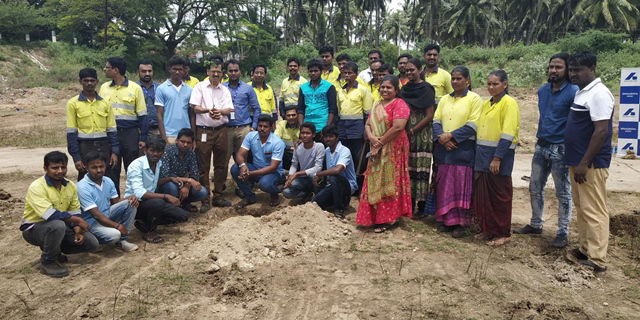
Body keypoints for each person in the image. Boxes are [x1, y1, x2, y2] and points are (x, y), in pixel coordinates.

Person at [514, 53, 578, 249]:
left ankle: (562, 232)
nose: (553, 70)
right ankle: (535, 224)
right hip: (541, 145)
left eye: (558, 67)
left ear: (567, 70)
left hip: (561, 148)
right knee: (534, 187)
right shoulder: (543, 90)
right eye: (551, 67)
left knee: (563, 192)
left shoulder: (573, 91)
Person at [564, 51, 614, 273]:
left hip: (590, 164)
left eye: (578, 70)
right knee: (582, 207)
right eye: (572, 69)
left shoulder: (600, 94)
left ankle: (597, 258)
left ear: (592, 68)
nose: (573, 73)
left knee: (594, 210)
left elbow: (601, 131)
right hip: (577, 161)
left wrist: (585, 162)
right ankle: (585, 249)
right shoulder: (582, 92)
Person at [21, 151, 99, 278]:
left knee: (92, 243)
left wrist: (77, 231)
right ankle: (48, 262)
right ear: (45, 168)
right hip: (34, 229)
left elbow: (75, 212)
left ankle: (55, 251)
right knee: (57, 225)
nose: (60, 171)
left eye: (63, 167)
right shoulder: (37, 187)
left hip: (59, 226)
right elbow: (50, 215)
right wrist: (77, 221)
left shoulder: (70, 186)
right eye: (55, 168)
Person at [357, 75, 412, 232]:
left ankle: (390, 218)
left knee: (390, 181)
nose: (385, 90)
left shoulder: (400, 104)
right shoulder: (376, 103)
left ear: (396, 90)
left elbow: (398, 127)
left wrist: (380, 142)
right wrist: (372, 138)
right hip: (376, 147)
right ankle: (374, 217)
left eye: (389, 87)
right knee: (375, 180)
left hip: (394, 149)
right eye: (383, 87)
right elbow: (367, 124)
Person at [432, 66, 482, 238]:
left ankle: (461, 223)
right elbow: (436, 119)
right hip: (445, 150)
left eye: (459, 78)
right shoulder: (445, 99)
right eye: (453, 78)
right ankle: (446, 220)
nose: (454, 81)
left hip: (463, 149)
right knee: (445, 185)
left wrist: (451, 136)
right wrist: (442, 138)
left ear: (467, 80)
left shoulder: (475, 99)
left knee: (461, 186)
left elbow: (473, 124)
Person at [473, 70, 520, 246]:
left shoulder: (509, 103)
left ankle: (503, 232)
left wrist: (498, 157)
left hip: (499, 156)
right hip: (483, 155)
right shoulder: (487, 104)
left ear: (505, 84)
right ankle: (488, 229)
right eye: (489, 84)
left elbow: (508, 133)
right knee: (485, 196)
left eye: (496, 84)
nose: (491, 87)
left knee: (500, 196)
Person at [125, 135, 188, 243]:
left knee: (182, 216)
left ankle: (144, 223)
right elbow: (140, 194)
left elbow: (153, 183)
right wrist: (166, 196)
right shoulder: (136, 165)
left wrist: (169, 178)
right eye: (152, 150)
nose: (155, 154)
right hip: (135, 205)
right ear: (145, 150)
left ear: (163, 152)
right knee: (158, 203)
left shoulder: (158, 163)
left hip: (150, 202)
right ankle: (150, 231)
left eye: (159, 151)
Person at [190, 59, 234, 211]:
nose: (216, 74)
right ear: (207, 72)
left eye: (219, 71)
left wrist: (220, 112)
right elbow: (195, 107)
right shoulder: (200, 87)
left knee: (221, 165)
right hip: (203, 131)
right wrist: (208, 110)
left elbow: (229, 109)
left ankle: (218, 196)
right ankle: (205, 199)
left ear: (222, 74)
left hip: (221, 130)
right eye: (213, 71)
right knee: (203, 166)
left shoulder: (225, 90)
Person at [100, 56, 148, 193]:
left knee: (132, 168)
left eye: (107, 67)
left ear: (116, 70)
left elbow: (143, 115)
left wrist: (143, 138)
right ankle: (114, 201)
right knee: (111, 168)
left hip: (130, 134)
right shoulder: (104, 88)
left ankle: (133, 199)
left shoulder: (135, 88)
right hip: (110, 134)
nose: (105, 70)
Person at [77, 151, 139, 251]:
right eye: (94, 167)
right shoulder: (82, 187)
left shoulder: (107, 180)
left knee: (131, 203)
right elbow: (96, 215)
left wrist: (130, 198)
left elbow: (116, 202)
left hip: (106, 214)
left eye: (101, 166)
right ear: (86, 167)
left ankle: (122, 241)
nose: (98, 170)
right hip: (92, 222)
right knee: (115, 235)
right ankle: (94, 238)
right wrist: (117, 226)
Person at [66, 68, 119, 183]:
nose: (89, 83)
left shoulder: (105, 103)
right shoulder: (73, 103)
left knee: (108, 177)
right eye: (86, 80)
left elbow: (112, 130)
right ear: (80, 82)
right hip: (85, 147)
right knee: (85, 178)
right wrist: (76, 157)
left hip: (104, 146)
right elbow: (71, 132)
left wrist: (114, 151)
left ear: (97, 81)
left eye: (92, 80)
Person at [399, 58, 436, 214]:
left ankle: (421, 207)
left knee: (421, 169)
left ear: (420, 70)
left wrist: (414, 130)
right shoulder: (405, 89)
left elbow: (429, 115)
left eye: (412, 70)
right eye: (407, 70)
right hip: (406, 133)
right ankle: (409, 204)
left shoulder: (427, 88)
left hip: (422, 134)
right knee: (408, 168)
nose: (409, 73)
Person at [231, 115, 285, 208]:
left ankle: (275, 194)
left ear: (272, 127)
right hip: (256, 169)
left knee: (264, 184)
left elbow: (273, 167)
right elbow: (239, 154)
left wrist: (250, 173)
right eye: (260, 126)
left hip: (273, 173)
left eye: (265, 126)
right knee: (235, 168)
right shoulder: (251, 136)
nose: (262, 129)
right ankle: (249, 197)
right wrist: (243, 166)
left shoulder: (277, 142)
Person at [157, 128, 208, 212]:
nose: (185, 145)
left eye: (188, 143)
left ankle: (183, 203)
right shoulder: (168, 151)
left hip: (183, 184)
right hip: (168, 183)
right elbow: (165, 174)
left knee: (202, 191)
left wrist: (187, 186)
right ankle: (171, 207)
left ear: (192, 144)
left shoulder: (191, 154)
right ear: (177, 140)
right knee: (172, 187)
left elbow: (194, 175)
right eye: (182, 141)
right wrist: (188, 180)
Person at [312, 125, 358, 218]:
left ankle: (339, 209)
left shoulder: (344, 151)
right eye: (326, 137)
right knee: (314, 203)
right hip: (332, 185)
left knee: (334, 177)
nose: (328, 139)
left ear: (337, 137)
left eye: (331, 136)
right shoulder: (327, 151)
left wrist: (318, 174)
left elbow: (337, 170)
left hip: (347, 185)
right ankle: (334, 202)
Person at [223, 59, 261, 168]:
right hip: (226, 128)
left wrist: (253, 127)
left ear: (240, 71)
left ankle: (242, 181)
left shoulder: (248, 88)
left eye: (236, 70)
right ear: (227, 72)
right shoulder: (222, 88)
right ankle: (222, 183)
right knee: (224, 157)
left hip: (244, 128)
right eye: (231, 71)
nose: (233, 73)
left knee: (243, 158)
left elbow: (256, 108)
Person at [336, 61, 373, 168]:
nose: (347, 75)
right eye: (345, 73)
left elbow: (368, 113)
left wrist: (366, 131)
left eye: (350, 73)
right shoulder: (340, 92)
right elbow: (339, 112)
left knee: (357, 156)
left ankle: (358, 180)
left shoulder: (363, 90)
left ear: (356, 74)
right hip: (343, 128)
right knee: (344, 155)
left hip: (357, 128)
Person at [282, 122, 325, 204]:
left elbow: (318, 167)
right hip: (303, 178)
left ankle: (318, 199)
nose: (304, 135)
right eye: (302, 133)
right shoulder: (298, 147)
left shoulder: (319, 146)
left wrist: (297, 174)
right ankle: (306, 194)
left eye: (308, 133)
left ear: (313, 135)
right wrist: (290, 177)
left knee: (315, 176)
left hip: (315, 177)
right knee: (286, 192)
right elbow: (294, 164)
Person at [156, 56, 194, 145]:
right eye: (174, 69)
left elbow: (192, 115)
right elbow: (159, 115)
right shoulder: (161, 89)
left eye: (180, 69)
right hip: (169, 135)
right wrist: (164, 138)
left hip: (186, 136)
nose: (177, 72)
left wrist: (193, 137)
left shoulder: (189, 90)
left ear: (184, 71)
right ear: (169, 69)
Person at [297, 59, 338, 137]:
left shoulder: (329, 87)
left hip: (323, 127)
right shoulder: (303, 88)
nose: (313, 73)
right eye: (311, 71)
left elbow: (332, 110)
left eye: (316, 71)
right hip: (307, 129)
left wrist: (327, 128)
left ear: (321, 71)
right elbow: (300, 109)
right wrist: (302, 128)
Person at [136, 59, 160, 136]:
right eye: (143, 71)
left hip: (158, 129)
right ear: (138, 72)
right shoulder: (133, 88)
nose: (147, 74)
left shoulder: (160, 88)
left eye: (149, 71)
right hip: (139, 129)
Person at [275, 106, 301, 171]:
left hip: (299, 153)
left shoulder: (302, 125)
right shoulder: (281, 125)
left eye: (293, 115)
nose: (291, 117)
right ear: (285, 116)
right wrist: (289, 148)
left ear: (297, 115)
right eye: (288, 115)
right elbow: (276, 141)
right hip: (285, 153)